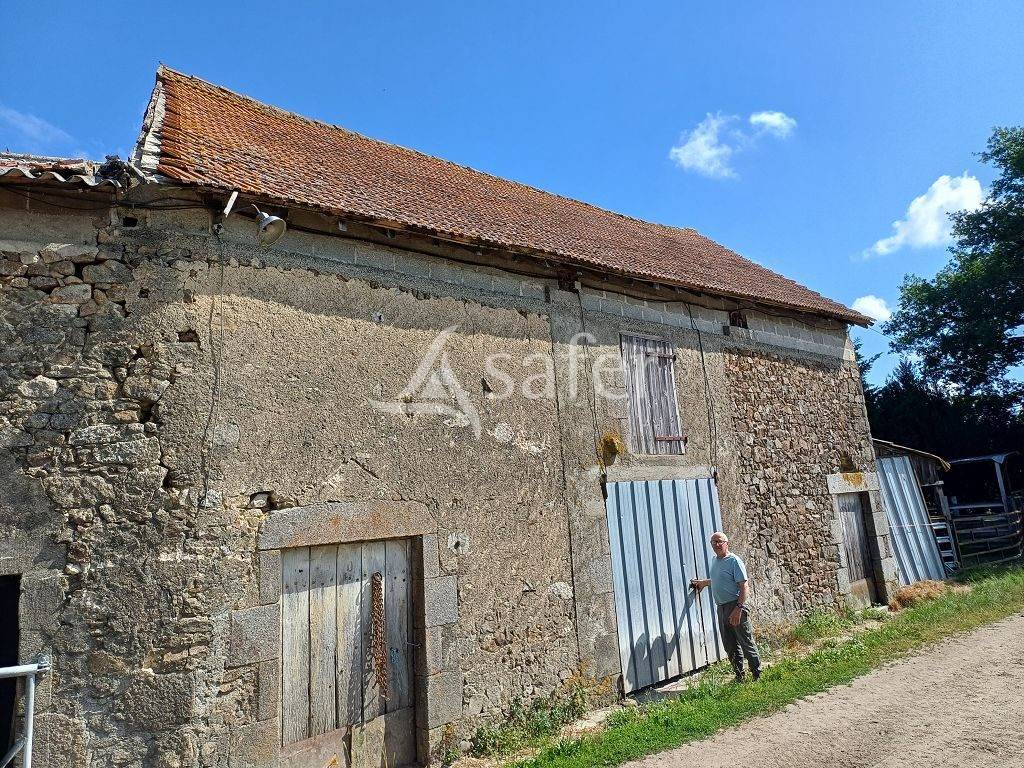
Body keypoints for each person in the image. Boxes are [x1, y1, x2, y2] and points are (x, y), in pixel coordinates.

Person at [690, 531, 762, 683]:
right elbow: (720, 579)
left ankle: (757, 675)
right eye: (713, 542)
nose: (716, 544)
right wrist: (704, 583)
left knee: (746, 643)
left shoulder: (734, 561)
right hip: (721, 608)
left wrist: (738, 608)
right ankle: (739, 676)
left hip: (735, 606)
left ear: (726, 543)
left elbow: (744, 586)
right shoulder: (714, 561)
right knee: (730, 645)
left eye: (720, 541)